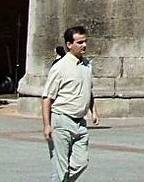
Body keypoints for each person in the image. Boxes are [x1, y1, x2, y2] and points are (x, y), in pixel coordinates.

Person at [41, 25, 99, 182]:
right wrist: (47, 125)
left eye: (85, 42)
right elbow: (47, 97)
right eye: (80, 42)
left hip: (80, 123)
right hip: (62, 120)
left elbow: (88, 89)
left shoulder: (87, 65)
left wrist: (93, 110)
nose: (84, 46)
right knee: (60, 167)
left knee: (81, 163)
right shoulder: (60, 67)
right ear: (69, 45)